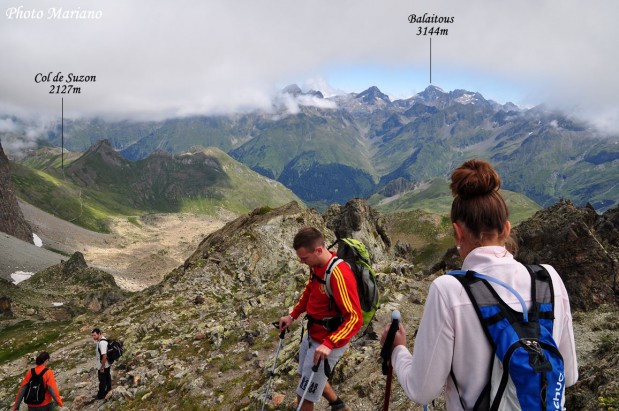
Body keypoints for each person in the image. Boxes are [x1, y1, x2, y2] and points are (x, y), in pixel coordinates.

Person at [380, 159, 578, 410]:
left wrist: (397, 350)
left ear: (458, 232)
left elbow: (422, 390)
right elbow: (567, 376)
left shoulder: (448, 290)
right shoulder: (548, 279)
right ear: (506, 228)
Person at [279, 227, 362, 411]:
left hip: (327, 342)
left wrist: (330, 343)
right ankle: (338, 406)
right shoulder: (315, 266)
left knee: (303, 396)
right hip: (312, 336)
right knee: (307, 378)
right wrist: (292, 315)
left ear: (318, 250)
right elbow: (310, 292)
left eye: (304, 258)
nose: (302, 262)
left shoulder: (339, 274)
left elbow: (355, 318)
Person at [91, 328, 112, 399]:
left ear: (99, 333)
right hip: (106, 364)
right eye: (92, 336)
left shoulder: (102, 343)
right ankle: (109, 390)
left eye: (94, 335)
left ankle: (101, 395)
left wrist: (102, 367)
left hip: (103, 365)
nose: (93, 337)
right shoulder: (101, 340)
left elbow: (104, 356)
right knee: (107, 378)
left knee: (102, 381)